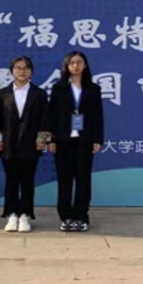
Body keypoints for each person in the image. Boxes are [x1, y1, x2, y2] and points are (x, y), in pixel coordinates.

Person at [46, 50, 104, 232]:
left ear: (85, 65)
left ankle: (81, 216)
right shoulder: (58, 88)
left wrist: (97, 139)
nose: (76, 66)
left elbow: (97, 115)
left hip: (85, 140)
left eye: (79, 62)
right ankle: (65, 217)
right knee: (64, 179)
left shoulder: (93, 88)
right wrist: (51, 139)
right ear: (66, 66)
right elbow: (52, 115)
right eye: (72, 62)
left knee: (83, 179)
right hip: (63, 140)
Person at [0, 56, 49, 232]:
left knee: (27, 181)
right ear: (12, 71)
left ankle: (25, 215)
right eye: (18, 67)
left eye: (25, 68)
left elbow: (45, 119)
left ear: (31, 71)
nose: (22, 71)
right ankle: (11, 215)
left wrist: (41, 140)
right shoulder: (2, 93)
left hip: (30, 144)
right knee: (11, 181)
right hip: (8, 144)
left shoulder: (39, 94)